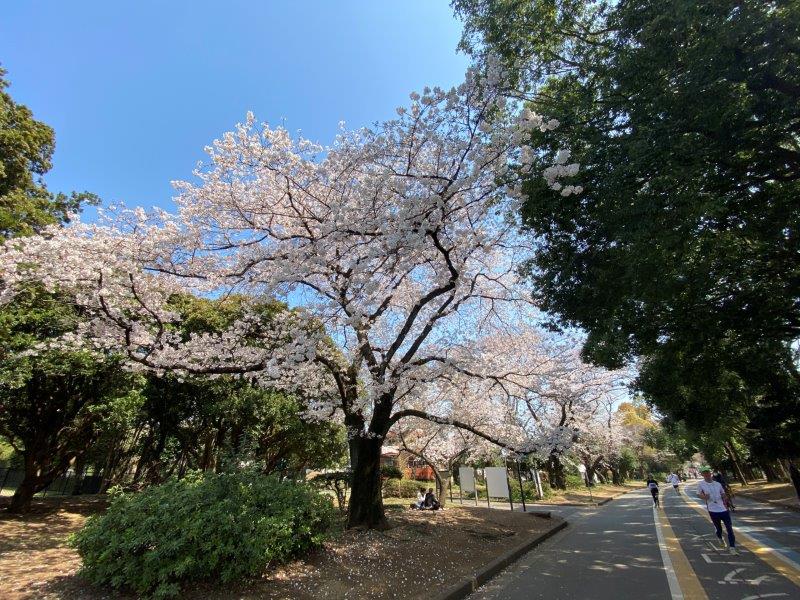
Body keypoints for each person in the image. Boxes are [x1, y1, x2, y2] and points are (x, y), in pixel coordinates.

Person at [698, 466, 737, 554]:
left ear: (710, 473)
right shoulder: (701, 484)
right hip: (713, 510)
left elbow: (723, 493)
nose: (707, 474)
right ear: (702, 474)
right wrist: (704, 497)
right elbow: (698, 494)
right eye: (704, 473)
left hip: (723, 509)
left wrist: (725, 497)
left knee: (729, 528)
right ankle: (719, 537)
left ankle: (732, 547)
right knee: (719, 528)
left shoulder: (717, 484)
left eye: (708, 472)